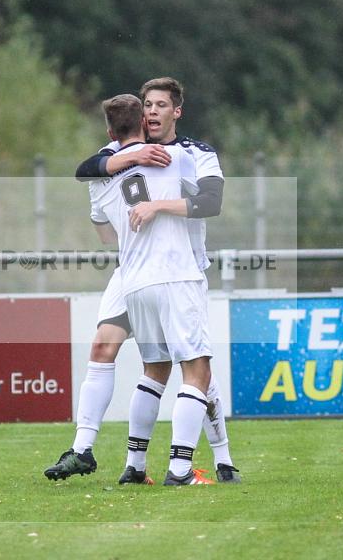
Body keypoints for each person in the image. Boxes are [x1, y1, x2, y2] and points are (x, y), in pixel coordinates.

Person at [44, 78, 239, 484]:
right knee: (182, 365)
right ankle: (160, 466)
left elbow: (211, 202)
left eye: (161, 105)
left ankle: (219, 459)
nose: (152, 111)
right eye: (147, 104)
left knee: (179, 367)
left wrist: (154, 206)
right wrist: (122, 161)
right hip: (145, 272)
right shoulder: (118, 156)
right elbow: (87, 170)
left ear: (176, 111)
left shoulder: (191, 154)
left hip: (177, 266)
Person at [90, 94, 214, 485]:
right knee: (197, 372)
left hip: (135, 282)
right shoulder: (177, 157)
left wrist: (124, 160)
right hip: (175, 276)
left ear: (111, 134)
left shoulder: (104, 177)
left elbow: (102, 222)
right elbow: (211, 200)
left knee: (154, 370)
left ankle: (135, 466)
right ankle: (179, 470)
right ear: (143, 123)